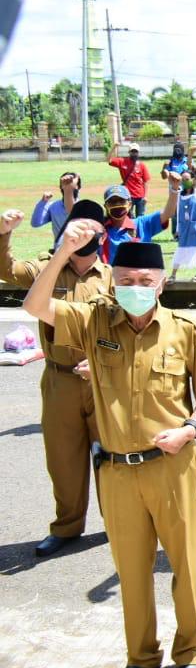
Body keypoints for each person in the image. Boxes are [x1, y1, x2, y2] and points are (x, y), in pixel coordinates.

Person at [24, 236, 196, 668]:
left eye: (145, 281)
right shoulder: (94, 321)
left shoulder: (185, 330)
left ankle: (192, 653)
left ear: (162, 283)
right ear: (113, 282)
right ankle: (140, 657)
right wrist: (59, 255)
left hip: (172, 465)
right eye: (127, 280)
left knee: (186, 565)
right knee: (131, 571)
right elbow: (37, 304)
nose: (136, 287)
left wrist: (190, 429)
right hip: (115, 469)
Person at [0, 200, 112, 557]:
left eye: (88, 228)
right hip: (59, 378)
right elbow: (7, 270)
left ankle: (119, 523)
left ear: (102, 234)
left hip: (103, 382)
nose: (80, 234)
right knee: (62, 458)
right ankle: (67, 526)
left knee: (111, 456)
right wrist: (4, 233)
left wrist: (99, 364)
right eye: (74, 227)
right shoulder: (48, 269)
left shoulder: (113, 276)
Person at [101, 178, 180, 263]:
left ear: (130, 204)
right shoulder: (99, 230)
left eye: (121, 201)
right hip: (111, 275)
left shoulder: (142, 224)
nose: (117, 205)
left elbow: (168, 213)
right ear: (105, 206)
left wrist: (174, 189)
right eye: (113, 202)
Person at [169, 172, 196, 281]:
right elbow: (178, 213)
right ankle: (173, 275)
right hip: (184, 227)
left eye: (187, 179)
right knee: (181, 250)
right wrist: (177, 229)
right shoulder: (179, 195)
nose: (185, 181)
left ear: (193, 180)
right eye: (183, 179)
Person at [31, 172, 79, 243]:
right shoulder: (53, 206)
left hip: (80, 251)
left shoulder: (85, 206)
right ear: (61, 187)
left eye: (71, 183)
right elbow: (36, 223)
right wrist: (43, 202)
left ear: (78, 186)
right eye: (65, 184)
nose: (69, 186)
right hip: (60, 250)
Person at [107, 139, 151, 216]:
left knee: (140, 217)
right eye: (132, 151)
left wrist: (145, 196)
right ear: (129, 152)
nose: (134, 153)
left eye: (135, 152)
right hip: (127, 195)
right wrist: (114, 147)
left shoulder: (142, 165)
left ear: (138, 153)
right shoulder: (122, 162)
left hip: (140, 196)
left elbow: (146, 181)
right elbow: (109, 160)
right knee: (128, 216)